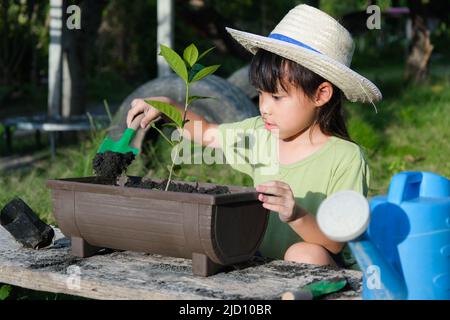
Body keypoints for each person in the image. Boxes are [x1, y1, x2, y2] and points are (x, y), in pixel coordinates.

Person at [126, 4, 381, 267]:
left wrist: (296, 214)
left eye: (277, 97)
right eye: (260, 94)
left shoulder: (345, 158)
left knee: (304, 253)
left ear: (321, 94)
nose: (264, 107)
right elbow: (208, 134)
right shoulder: (260, 134)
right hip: (259, 262)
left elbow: (334, 242)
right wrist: (169, 106)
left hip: (320, 273)